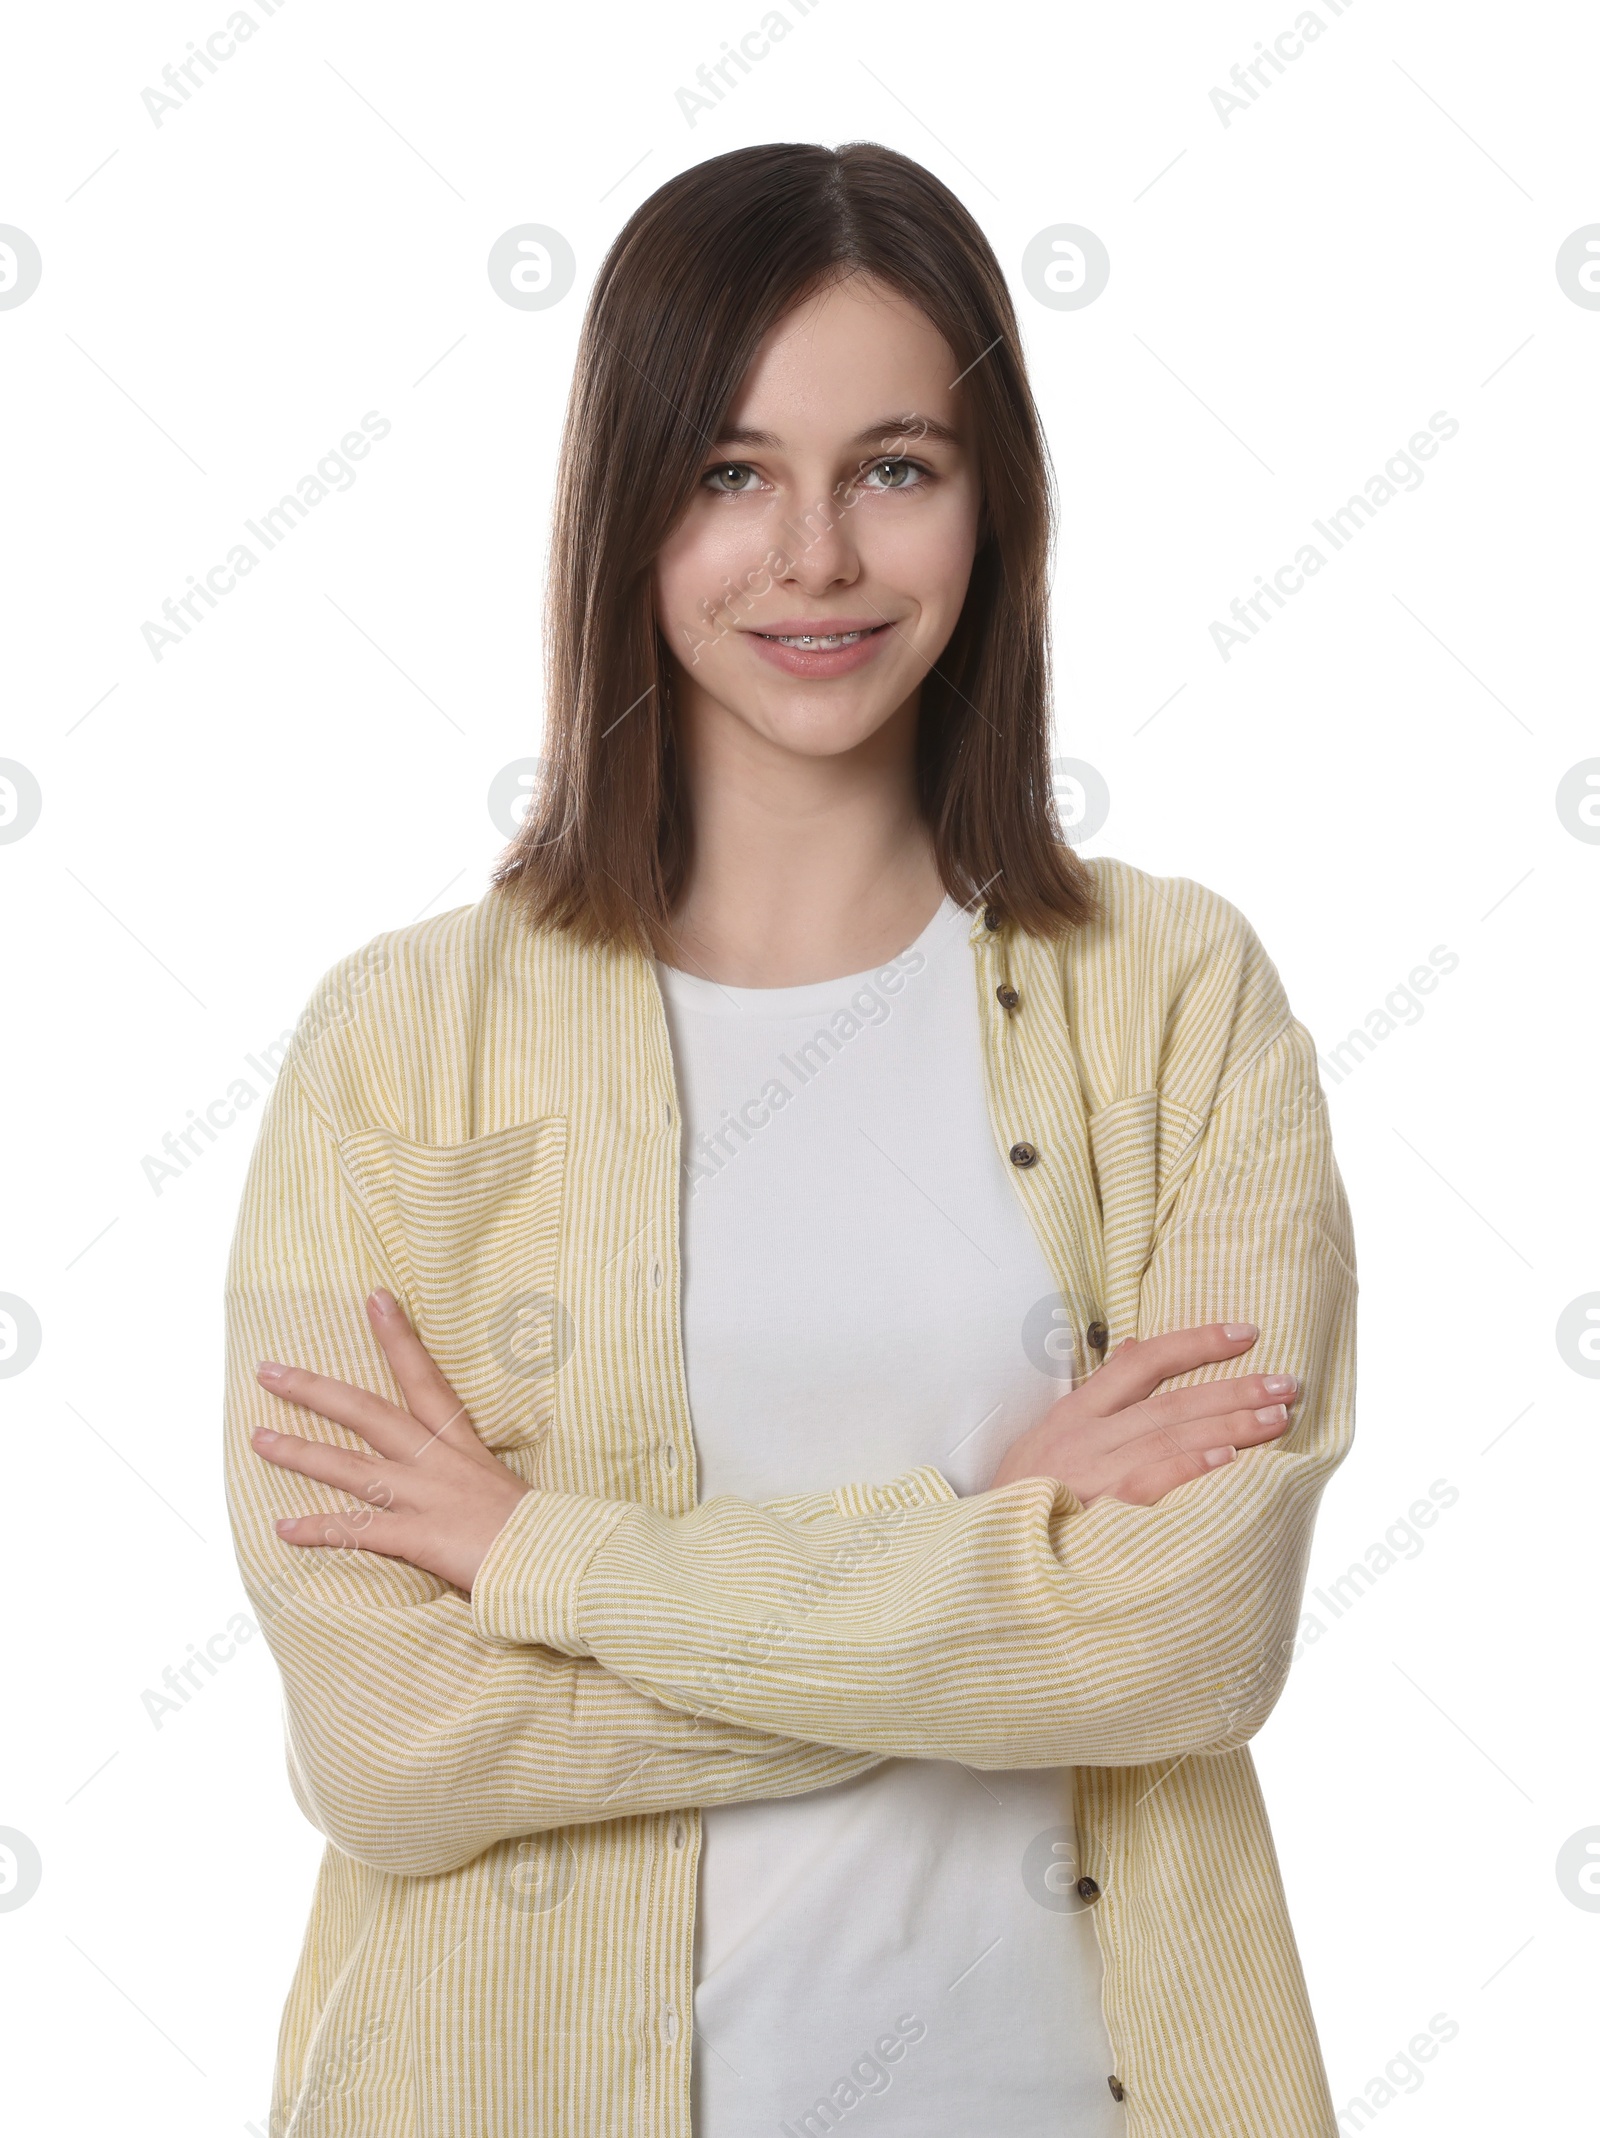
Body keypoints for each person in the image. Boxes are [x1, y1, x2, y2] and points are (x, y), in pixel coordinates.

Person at [225, 139, 1356, 2138]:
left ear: (990, 504)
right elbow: (393, 1746)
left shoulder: (1177, 1002)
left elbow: (1175, 1644)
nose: (814, 554)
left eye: (892, 466)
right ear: (623, 518)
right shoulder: (397, 1047)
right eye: (729, 472)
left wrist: (536, 1558)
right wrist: (1002, 1581)